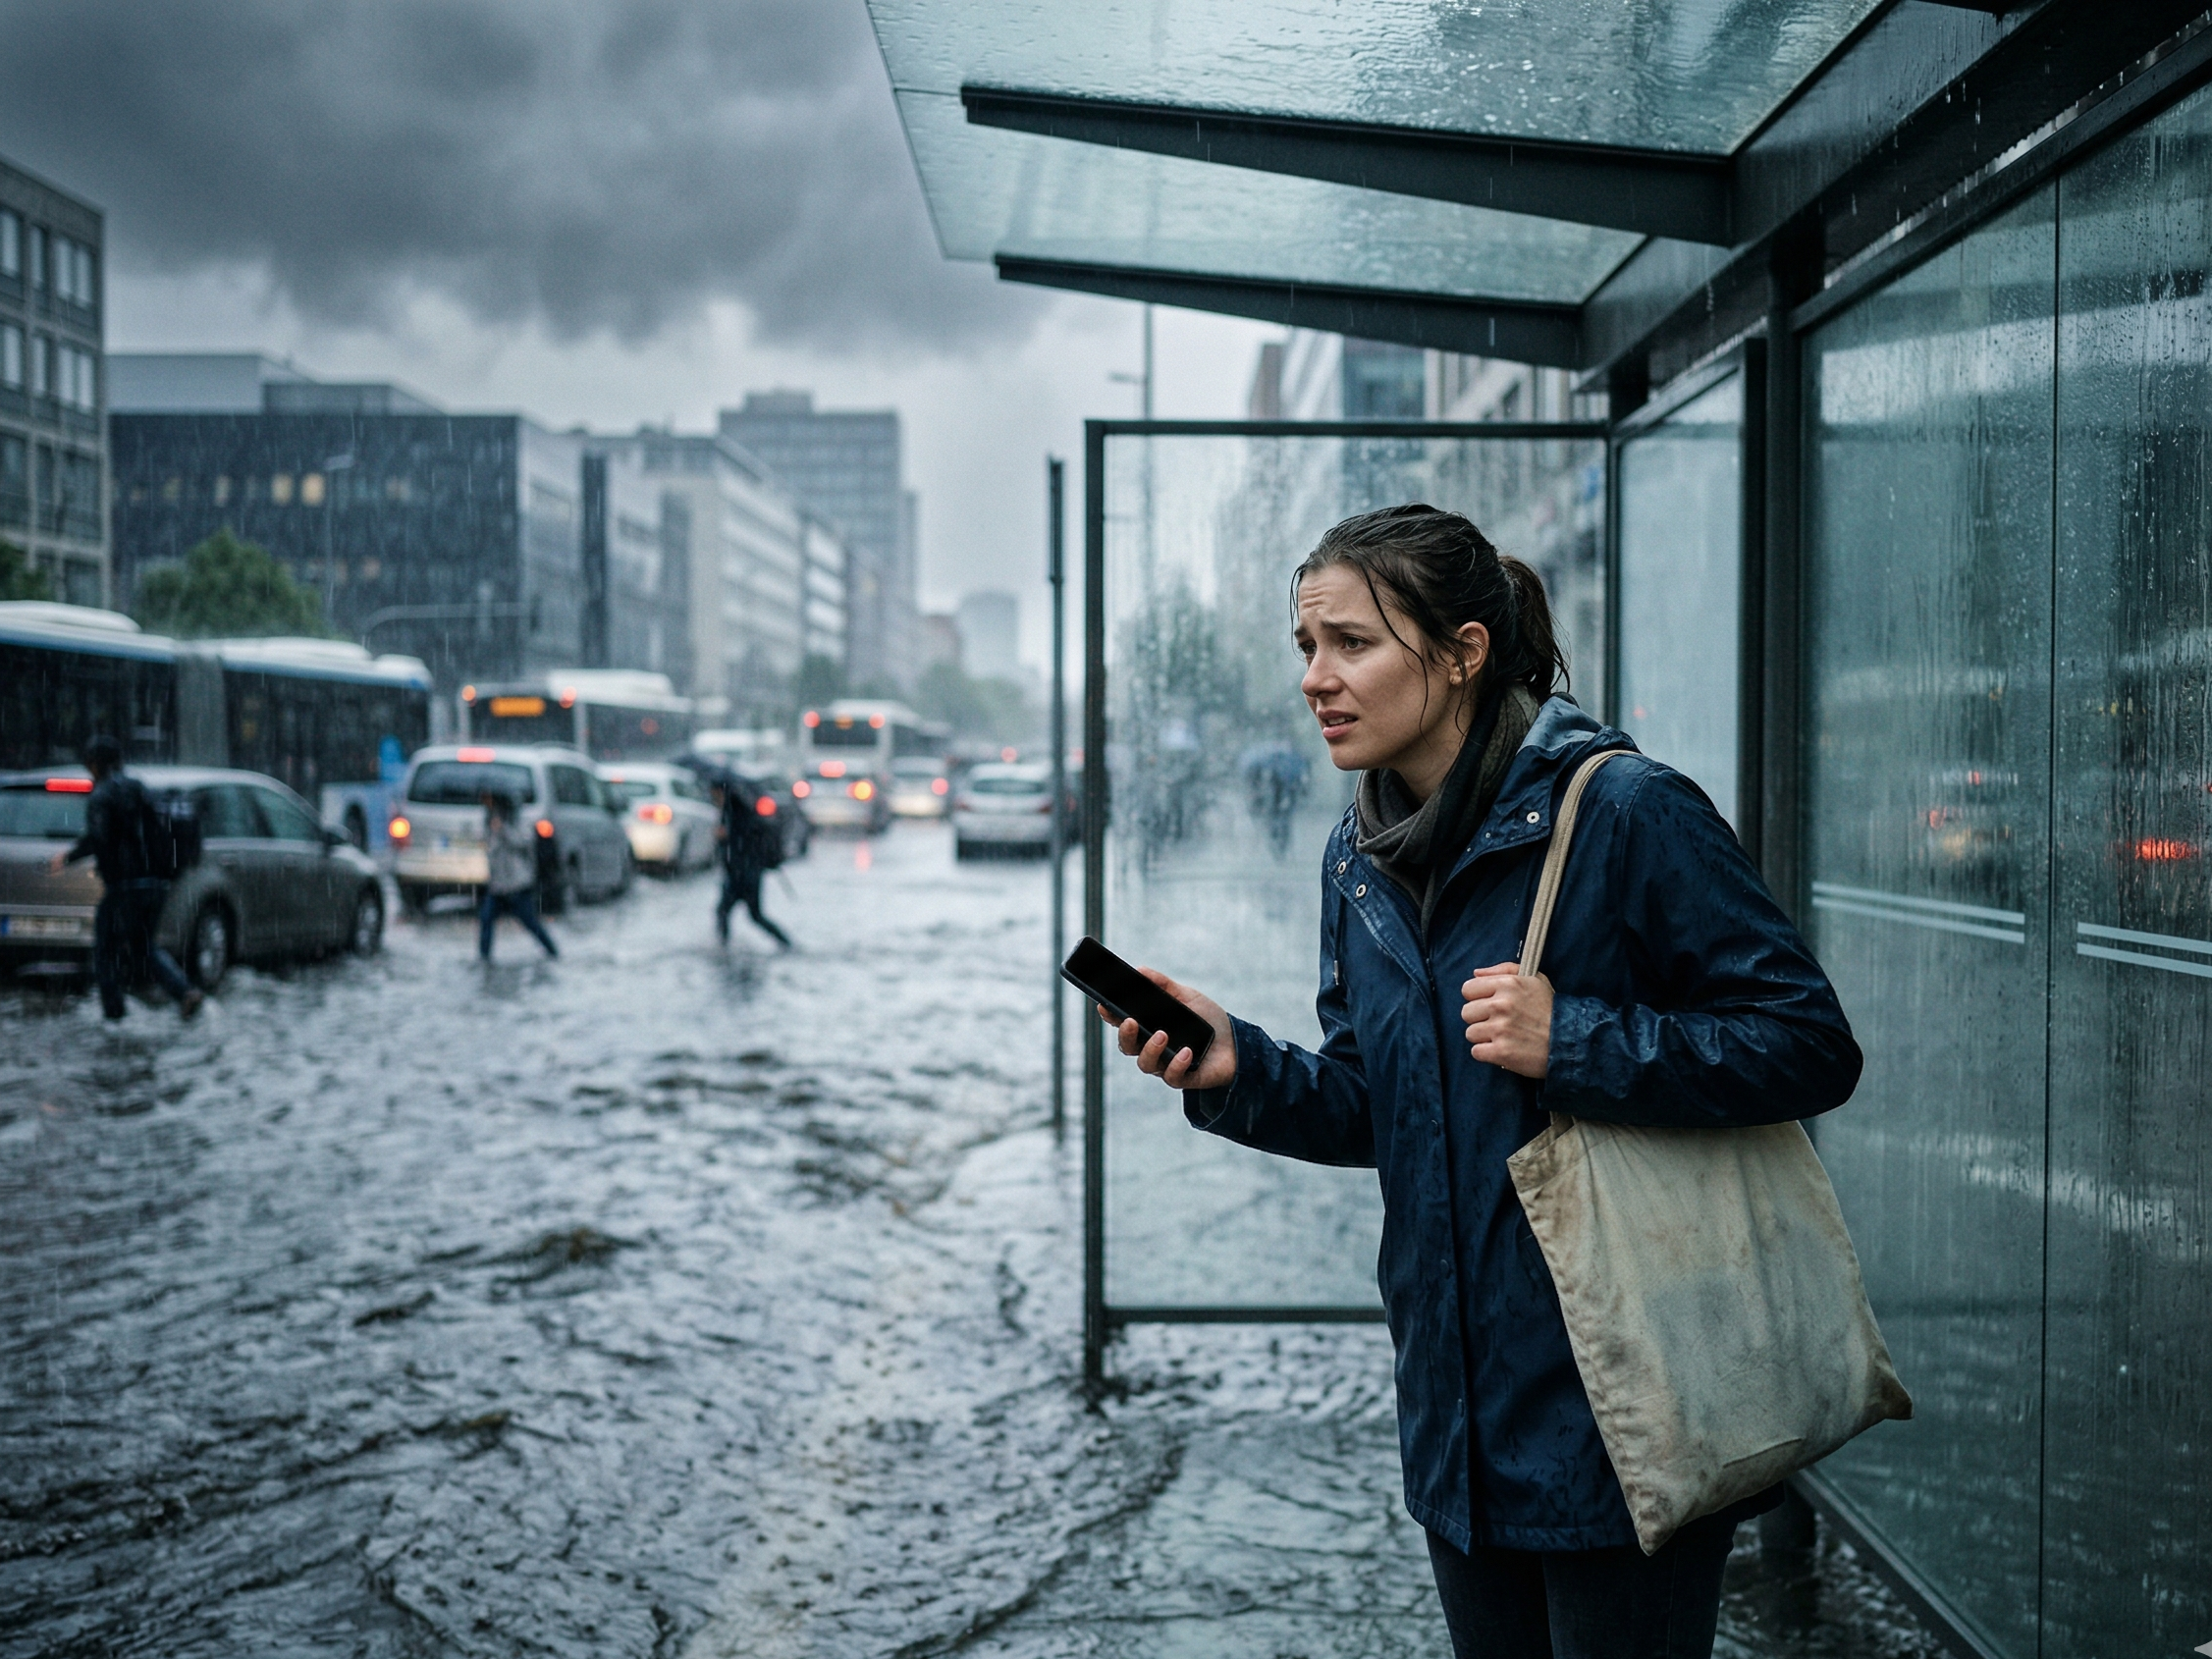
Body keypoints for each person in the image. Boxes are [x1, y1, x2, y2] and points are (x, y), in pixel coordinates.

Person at [1103, 506, 1862, 1659]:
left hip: (1626, 1400)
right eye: (1306, 646)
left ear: (1462, 652)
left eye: (1352, 642)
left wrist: (1579, 1040)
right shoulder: (1357, 855)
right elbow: (1379, 1103)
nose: (1317, 677)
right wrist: (1239, 1065)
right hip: (1457, 1414)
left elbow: (1809, 1041)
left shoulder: (1622, 811)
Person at [50, 734, 202, 1020]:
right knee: (143, 946)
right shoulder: (140, 788)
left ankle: (114, 1016)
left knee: (105, 952)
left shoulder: (102, 795)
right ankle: (184, 992)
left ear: (95, 764)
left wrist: (68, 857)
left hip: (124, 887)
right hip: (156, 884)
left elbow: (99, 838)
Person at [477, 791, 559, 961]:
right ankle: (484, 958)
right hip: (497, 885)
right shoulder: (489, 822)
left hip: (517, 884)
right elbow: (489, 849)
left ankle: (552, 952)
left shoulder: (518, 821)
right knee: (486, 919)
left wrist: (503, 830)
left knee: (530, 922)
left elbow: (523, 843)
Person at [712, 778, 790, 949]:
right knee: (752, 915)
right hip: (746, 872)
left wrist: (724, 838)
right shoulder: (736, 810)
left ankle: (722, 947)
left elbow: (741, 845)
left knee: (730, 912)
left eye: (714, 794)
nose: (713, 799)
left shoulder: (736, 813)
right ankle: (785, 943)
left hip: (743, 874)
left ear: (720, 792)